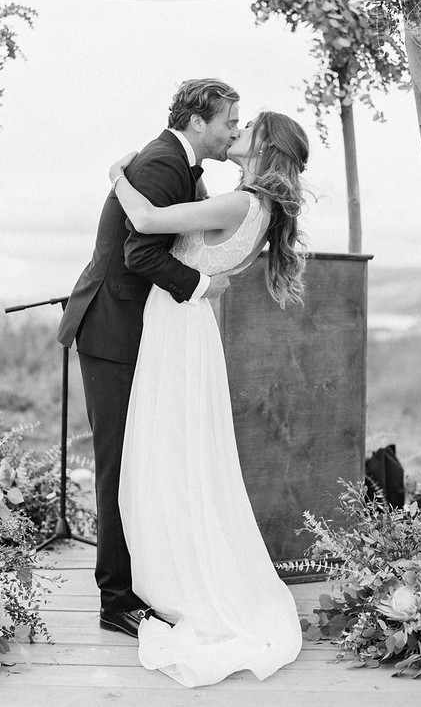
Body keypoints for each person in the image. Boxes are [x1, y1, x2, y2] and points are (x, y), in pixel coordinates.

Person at [110, 110, 309, 687]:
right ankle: (181, 566)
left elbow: (146, 217)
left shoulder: (241, 204)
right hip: (189, 325)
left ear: (262, 146)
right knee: (182, 451)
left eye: (249, 127)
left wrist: (118, 173)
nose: (238, 129)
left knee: (169, 449)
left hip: (178, 325)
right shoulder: (260, 210)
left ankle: (179, 580)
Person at [57, 78, 240, 638]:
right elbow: (139, 252)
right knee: (116, 465)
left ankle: (145, 581)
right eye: (229, 121)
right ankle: (117, 600)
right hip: (112, 333)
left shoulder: (179, 164)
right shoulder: (162, 164)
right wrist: (202, 285)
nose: (235, 131)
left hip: (136, 334)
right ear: (197, 121)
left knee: (141, 460)